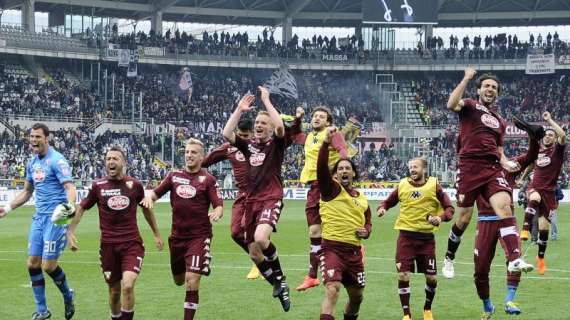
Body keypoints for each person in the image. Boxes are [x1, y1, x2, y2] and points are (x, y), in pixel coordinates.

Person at [442, 67, 533, 279]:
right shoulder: (470, 106)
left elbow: (499, 150)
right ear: (479, 90)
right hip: (469, 167)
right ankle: (448, 257)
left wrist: (505, 162)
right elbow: (450, 104)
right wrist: (466, 78)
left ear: (497, 93)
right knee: (463, 218)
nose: (490, 89)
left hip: (492, 168)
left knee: (505, 208)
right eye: (486, 86)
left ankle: (514, 259)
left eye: (494, 87)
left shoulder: (501, 121)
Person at [222, 88, 301, 312]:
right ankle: (278, 285)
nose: (258, 125)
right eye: (257, 122)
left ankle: (281, 277)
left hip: (271, 198)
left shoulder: (276, 145)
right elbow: (227, 133)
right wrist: (239, 109)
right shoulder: (249, 146)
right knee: (255, 253)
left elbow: (279, 127)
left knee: (260, 237)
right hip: (251, 201)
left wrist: (266, 101)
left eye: (262, 123)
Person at [67, 146, 164, 320]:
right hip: (108, 248)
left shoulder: (134, 185)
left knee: (127, 285)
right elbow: (81, 208)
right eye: (108, 159)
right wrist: (70, 231)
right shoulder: (98, 186)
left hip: (132, 244)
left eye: (115, 158)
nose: (110, 162)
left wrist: (156, 234)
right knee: (114, 292)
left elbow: (146, 210)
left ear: (123, 162)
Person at [0, 123, 76, 320]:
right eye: (31, 137)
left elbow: (70, 188)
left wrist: (68, 215)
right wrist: (7, 208)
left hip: (56, 218)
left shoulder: (57, 161)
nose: (33, 140)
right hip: (38, 218)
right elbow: (27, 191)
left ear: (46, 139)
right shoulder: (32, 163)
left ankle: (68, 295)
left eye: (37, 137)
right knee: (32, 264)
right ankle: (42, 310)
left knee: (48, 266)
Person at [141, 138, 223, 320]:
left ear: (202, 157)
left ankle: (199, 262)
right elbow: (154, 194)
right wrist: (149, 199)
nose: (189, 155)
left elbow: (218, 204)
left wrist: (217, 211)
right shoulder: (173, 176)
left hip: (199, 237)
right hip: (177, 238)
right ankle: (200, 263)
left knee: (191, 281)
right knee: (179, 280)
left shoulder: (208, 179)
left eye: (193, 152)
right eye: (187, 152)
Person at [473, 132, 540, 319]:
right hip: (485, 221)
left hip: (506, 221)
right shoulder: (475, 168)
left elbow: (531, 156)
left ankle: (510, 300)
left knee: (514, 261)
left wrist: (533, 137)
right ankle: (488, 307)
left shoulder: (509, 167)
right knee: (480, 270)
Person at [378, 157, 454, 320]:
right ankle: (407, 314)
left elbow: (449, 208)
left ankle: (427, 308)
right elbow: (387, 202)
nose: (412, 170)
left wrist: (440, 218)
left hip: (426, 240)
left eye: (416, 167)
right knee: (403, 275)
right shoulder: (402, 185)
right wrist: (382, 208)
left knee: (431, 278)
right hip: (405, 238)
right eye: (411, 167)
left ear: (424, 169)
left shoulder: (434, 185)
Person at [317, 127, 370, 320]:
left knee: (357, 297)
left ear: (354, 174)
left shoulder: (362, 198)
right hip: (332, 249)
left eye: (348, 168)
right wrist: (325, 143)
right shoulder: (331, 189)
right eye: (340, 169)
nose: (344, 170)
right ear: (336, 175)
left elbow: (368, 222)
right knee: (332, 290)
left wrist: (367, 231)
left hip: (354, 253)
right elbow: (321, 169)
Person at [294, 106, 348, 291]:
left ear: (328, 121)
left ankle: (354, 250)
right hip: (312, 187)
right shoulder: (309, 137)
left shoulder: (332, 132)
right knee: (315, 233)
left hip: (326, 184)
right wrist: (299, 119)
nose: (317, 118)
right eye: (315, 116)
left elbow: (342, 150)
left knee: (333, 229)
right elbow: (295, 136)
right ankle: (312, 276)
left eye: (321, 116)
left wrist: (342, 172)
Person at [201, 118, 260, 280]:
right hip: (242, 194)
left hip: (259, 194)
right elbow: (205, 161)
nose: (242, 138)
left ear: (253, 134)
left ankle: (257, 263)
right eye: (239, 135)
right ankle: (260, 259)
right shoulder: (229, 148)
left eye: (245, 136)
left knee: (248, 228)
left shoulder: (260, 146)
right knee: (235, 233)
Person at [521, 111, 566, 275]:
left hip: (549, 194)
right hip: (535, 187)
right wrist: (522, 178)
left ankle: (540, 258)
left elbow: (563, 135)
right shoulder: (538, 150)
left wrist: (549, 121)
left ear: (554, 139)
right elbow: (532, 165)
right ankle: (525, 229)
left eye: (551, 135)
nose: (547, 137)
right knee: (534, 197)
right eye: (546, 135)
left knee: (544, 229)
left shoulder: (558, 151)